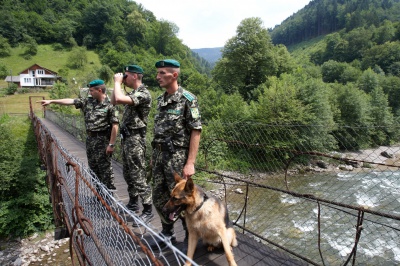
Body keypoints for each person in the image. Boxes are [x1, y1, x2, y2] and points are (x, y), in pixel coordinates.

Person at [150, 59, 202, 250]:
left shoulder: (188, 99)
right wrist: (153, 156)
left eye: (162, 73)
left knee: (182, 200)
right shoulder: (160, 100)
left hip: (177, 158)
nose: (158, 77)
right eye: (157, 73)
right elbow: (158, 132)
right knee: (158, 196)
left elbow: (196, 130)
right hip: (159, 157)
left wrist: (190, 162)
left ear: (174, 75)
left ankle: (190, 236)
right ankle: (167, 233)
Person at [38, 79, 119, 191]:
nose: (90, 93)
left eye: (91, 91)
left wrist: (111, 144)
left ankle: (110, 198)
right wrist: (52, 101)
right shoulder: (88, 102)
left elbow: (115, 126)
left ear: (99, 90)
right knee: (93, 169)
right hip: (90, 139)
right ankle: (99, 195)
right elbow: (71, 101)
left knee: (105, 170)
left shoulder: (111, 105)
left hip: (103, 140)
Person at [111, 65, 154, 225]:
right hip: (127, 139)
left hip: (136, 140)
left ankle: (148, 209)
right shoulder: (133, 93)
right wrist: (116, 83)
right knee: (128, 174)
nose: (124, 79)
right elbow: (114, 100)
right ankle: (133, 202)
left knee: (138, 175)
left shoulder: (143, 93)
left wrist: (117, 82)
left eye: (126, 76)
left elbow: (120, 99)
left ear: (135, 76)